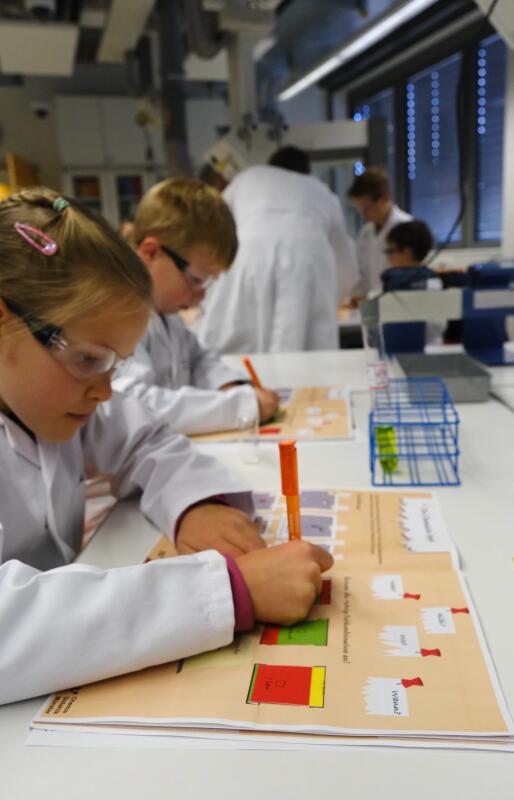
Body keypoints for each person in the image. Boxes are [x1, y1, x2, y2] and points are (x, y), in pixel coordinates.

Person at [0, 188, 333, 706]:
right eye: (88, 360)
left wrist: (194, 504)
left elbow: (145, 437)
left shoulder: (52, 399)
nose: (106, 391)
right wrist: (228, 591)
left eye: (117, 366)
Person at [113, 178, 279, 435]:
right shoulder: (119, 312)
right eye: (196, 279)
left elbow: (197, 358)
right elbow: (134, 405)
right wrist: (240, 406)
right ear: (151, 252)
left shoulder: (164, 309)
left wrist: (227, 385)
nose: (201, 295)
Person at [195, 151, 359, 354]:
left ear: (270, 165)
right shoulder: (321, 190)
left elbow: (214, 229)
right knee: (306, 349)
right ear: (306, 172)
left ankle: (235, 375)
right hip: (310, 258)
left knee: (237, 342)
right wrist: (339, 295)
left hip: (249, 253)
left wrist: (204, 292)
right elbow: (345, 265)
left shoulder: (248, 177)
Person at [347, 166, 412, 300]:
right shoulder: (365, 233)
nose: (363, 214)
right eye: (359, 209)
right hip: (373, 304)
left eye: (366, 207)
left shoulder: (407, 227)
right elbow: (362, 275)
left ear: (385, 197)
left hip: (401, 303)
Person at [379, 219, 439, 354]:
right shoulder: (391, 280)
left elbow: (436, 326)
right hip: (394, 349)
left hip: (427, 350)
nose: (388, 257)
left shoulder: (431, 282)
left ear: (406, 252)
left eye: (390, 251)